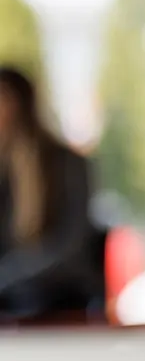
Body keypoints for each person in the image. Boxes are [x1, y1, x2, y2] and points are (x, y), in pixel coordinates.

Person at [0, 66, 105, 322]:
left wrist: (7, 275)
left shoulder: (66, 165)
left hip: (59, 299)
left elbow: (70, 246)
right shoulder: (4, 172)